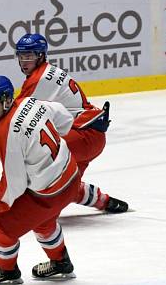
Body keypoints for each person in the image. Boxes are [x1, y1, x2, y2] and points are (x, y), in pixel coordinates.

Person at [0, 75, 80, 284]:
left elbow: (15, 183)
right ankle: (61, 263)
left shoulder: (4, 133)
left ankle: (7, 271)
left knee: (1, 226)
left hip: (51, 192)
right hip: (72, 177)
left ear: (6, 101)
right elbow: (64, 118)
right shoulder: (30, 102)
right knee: (43, 220)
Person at [14, 33, 128, 213]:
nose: (24, 61)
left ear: (41, 55)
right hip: (90, 136)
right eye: (21, 56)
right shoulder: (46, 72)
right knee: (64, 189)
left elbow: (15, 116)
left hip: (82, 135)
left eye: (29, 56)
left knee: (37, 163)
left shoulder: (39, 79)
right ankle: (104, 201)